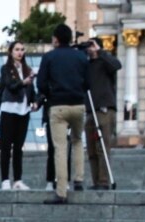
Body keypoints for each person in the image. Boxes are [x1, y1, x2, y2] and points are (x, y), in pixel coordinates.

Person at [37, 24, 89, 204]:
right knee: (77, 141)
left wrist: (51, 94)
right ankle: (79, 180)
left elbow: (41, 84)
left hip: (58, 106)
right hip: (78, 105)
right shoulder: (81, 57)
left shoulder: (49, 57)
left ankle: (61, 192)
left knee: (60, 147)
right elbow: (88, 83)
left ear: (56, 39)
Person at [0, 41, 38, 191]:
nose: (20, 53)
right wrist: (23, 82)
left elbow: (32, 90)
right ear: (11, 52)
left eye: (22, 50)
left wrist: (34, 102)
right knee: (6, 146)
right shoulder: (6, 69)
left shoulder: (28, 69)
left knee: (19, 147)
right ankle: (5, 180)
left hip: (23, 111)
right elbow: (10, 86)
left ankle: (18, 179)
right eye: (17, 50)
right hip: (9, 109)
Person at [84, 38, 122, 190]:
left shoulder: (105, 61)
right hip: (90, 110)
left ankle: (104, 181)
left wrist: (100, 51)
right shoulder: (86, 65)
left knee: (103, 148)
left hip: (105, 109)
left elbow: (116, 65)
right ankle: (96, 181)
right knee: (92, 149)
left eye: (92, 45)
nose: (90, 49)